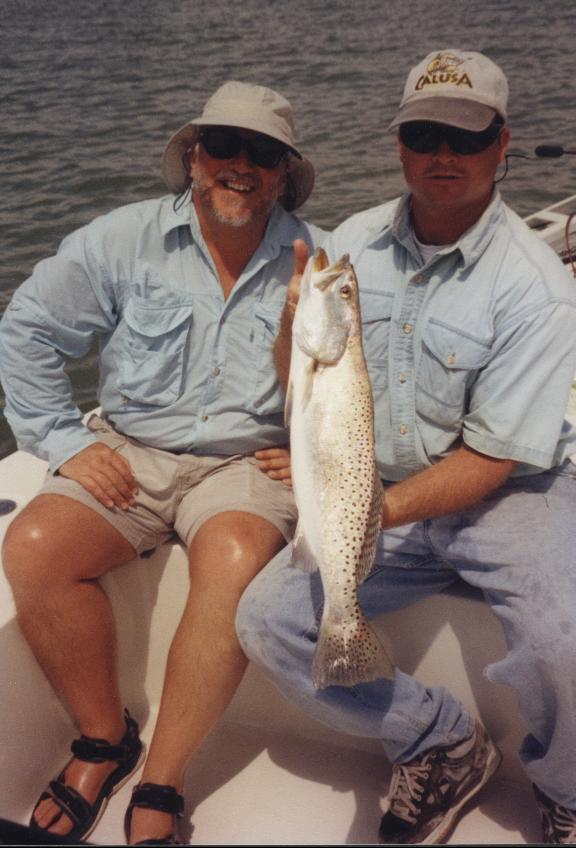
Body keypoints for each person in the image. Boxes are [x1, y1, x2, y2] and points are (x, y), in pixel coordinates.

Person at [236, 50, 576, 846]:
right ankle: (439, 741)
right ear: (399, 145)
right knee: (267, 621)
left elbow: (494, 459)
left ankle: (566, 788)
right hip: (378, 484)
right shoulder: (348, 244)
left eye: (466, 136)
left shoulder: (538, 286)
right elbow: (300, 385)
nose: (443, 155)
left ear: (501, 143)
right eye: (424, 134)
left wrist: (357, 513)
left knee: (565, 635)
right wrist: (296, 322)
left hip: (511, 493)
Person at [0, 80, 324, 845]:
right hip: (130, 449)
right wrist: (68, 441)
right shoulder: (122, 238)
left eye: (263, 153)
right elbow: (27, 331)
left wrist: (306, 448)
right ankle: (102, 742)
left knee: (238, 558)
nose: (240, 165)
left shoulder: (320, 260)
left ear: (284, 173)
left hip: (246, 463)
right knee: (35, 548)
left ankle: (164, 776)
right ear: (193, 157)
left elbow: (348, 382)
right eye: (223, 146)